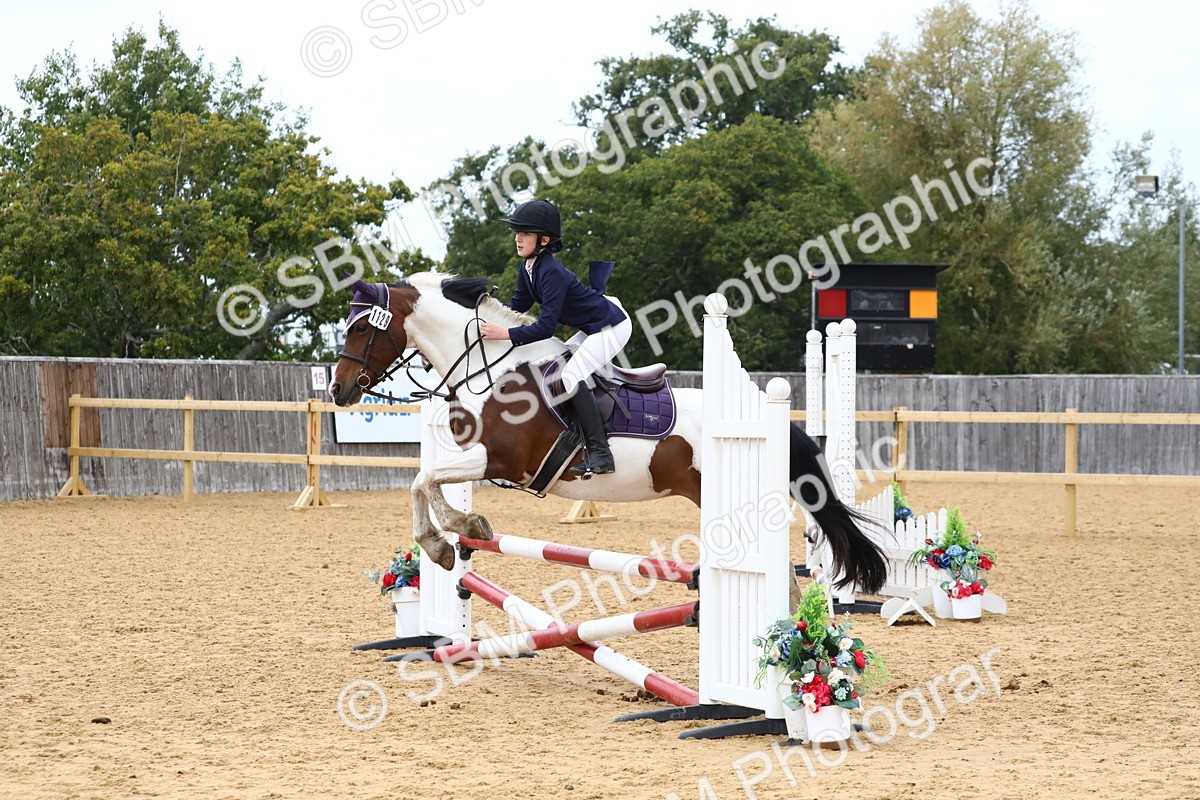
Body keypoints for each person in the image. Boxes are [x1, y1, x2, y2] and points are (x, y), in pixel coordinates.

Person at [478, 199, 631, 477]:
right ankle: (575, 431)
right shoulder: (528, 267)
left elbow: (546, 328)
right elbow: (517, 308)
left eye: (525, 233)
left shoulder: (551, 271)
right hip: (593, 325)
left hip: (611, 327)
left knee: (571, 376)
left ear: (544, 240)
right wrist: (486, 309)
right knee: (556, 367)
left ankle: (601, 453)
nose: (517, 238)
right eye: (517, 232)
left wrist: (505, 334)